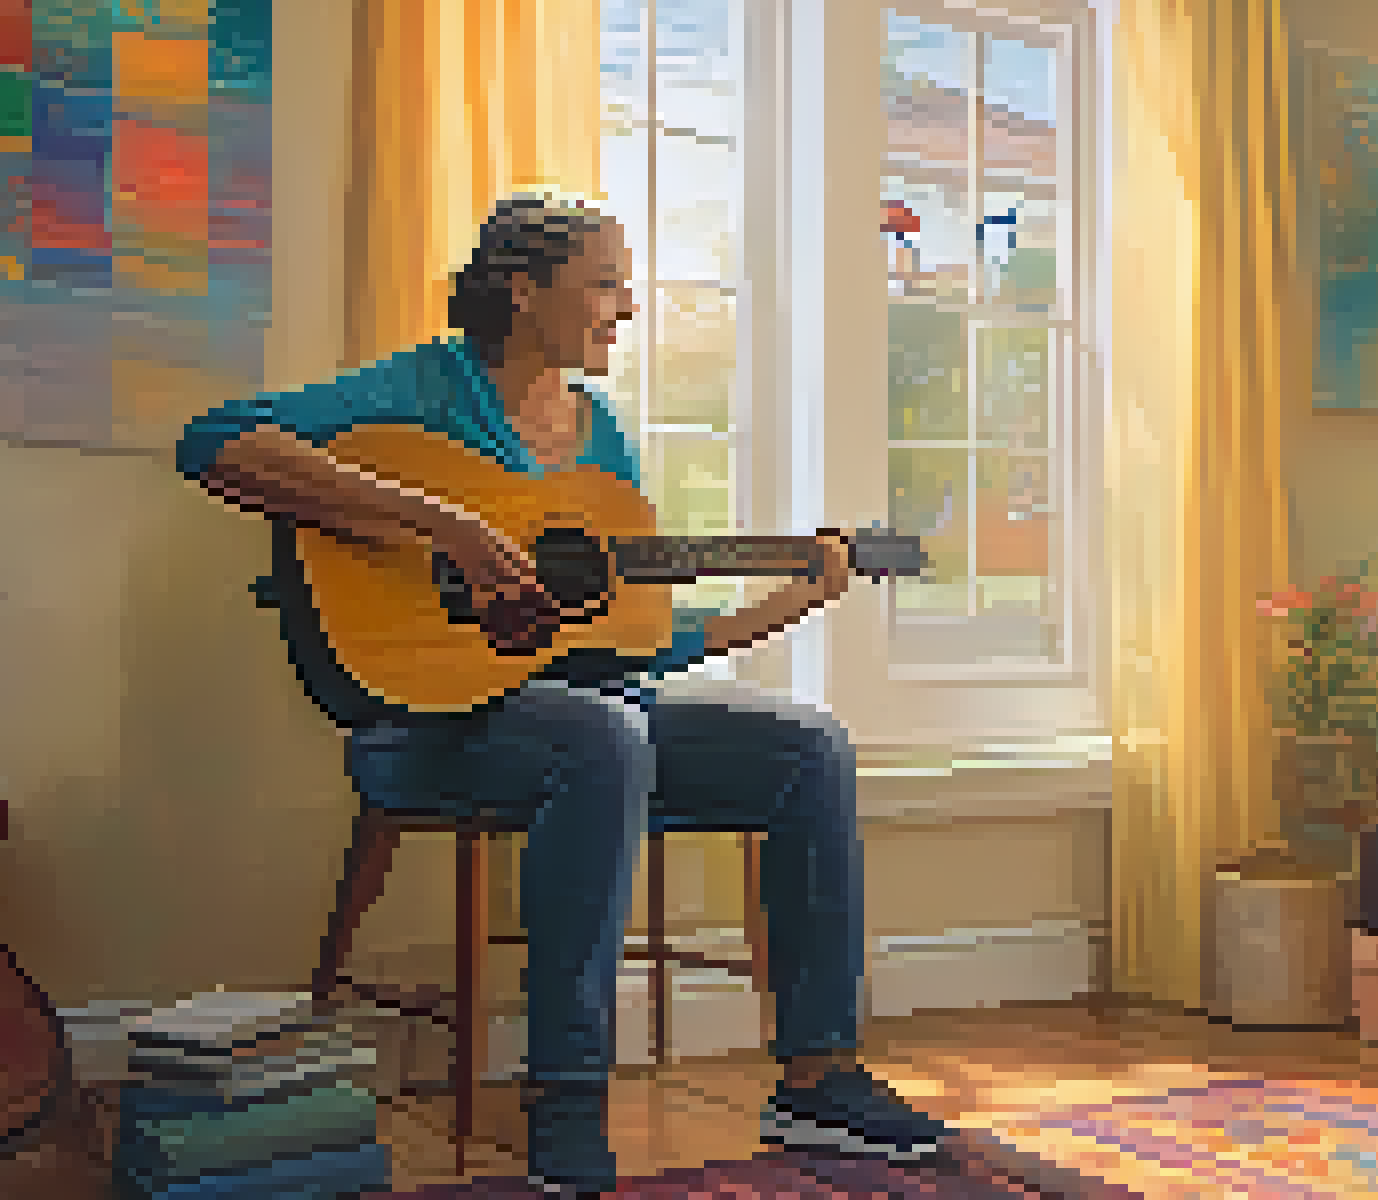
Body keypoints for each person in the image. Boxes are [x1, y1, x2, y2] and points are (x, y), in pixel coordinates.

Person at [174, 193, 955, 1197]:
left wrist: (790, 600)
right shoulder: (427, 386)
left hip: (588, 727)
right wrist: (443, 523)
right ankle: (566, 1097)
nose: (626, 308)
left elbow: (630, 639)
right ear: (524, 288)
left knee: (806, 745)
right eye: (605, 283)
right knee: (601, 736)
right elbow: (217, 441)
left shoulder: (603, 440)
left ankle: (817, 1074)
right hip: (425, 729)